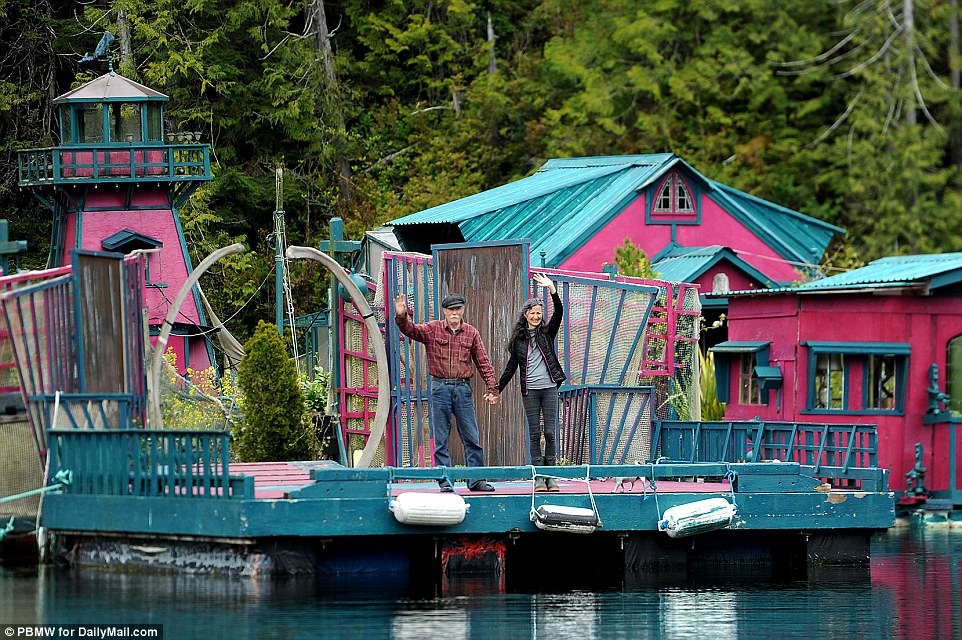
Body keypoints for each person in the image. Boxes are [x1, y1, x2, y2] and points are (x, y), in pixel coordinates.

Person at [394, 292, 499, 492]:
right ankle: (445, 481)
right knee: (441, 438)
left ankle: (476, 480)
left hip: (462, 388)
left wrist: (492, 388)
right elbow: (411, 330)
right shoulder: (433, 329)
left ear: (463, 310)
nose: (454, 313)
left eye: (458, 309)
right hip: (440, 387)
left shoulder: (472, 333)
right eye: (451, 309)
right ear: (444, 311)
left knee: (471, 436)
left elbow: (483, 362)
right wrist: (402, 315)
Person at [497, 273, 567, 492]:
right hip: (530, 391)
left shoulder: (547, 332)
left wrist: (552, 290)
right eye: (532, 313)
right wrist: (496, 389)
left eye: (539, 313)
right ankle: (538, 477)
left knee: (550, 433)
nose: (536, 316)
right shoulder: (519, 340)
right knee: (535, 433)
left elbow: (559, 313)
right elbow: (511, 367)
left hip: (549, 388)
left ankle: (551, 476)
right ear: (526, 315)